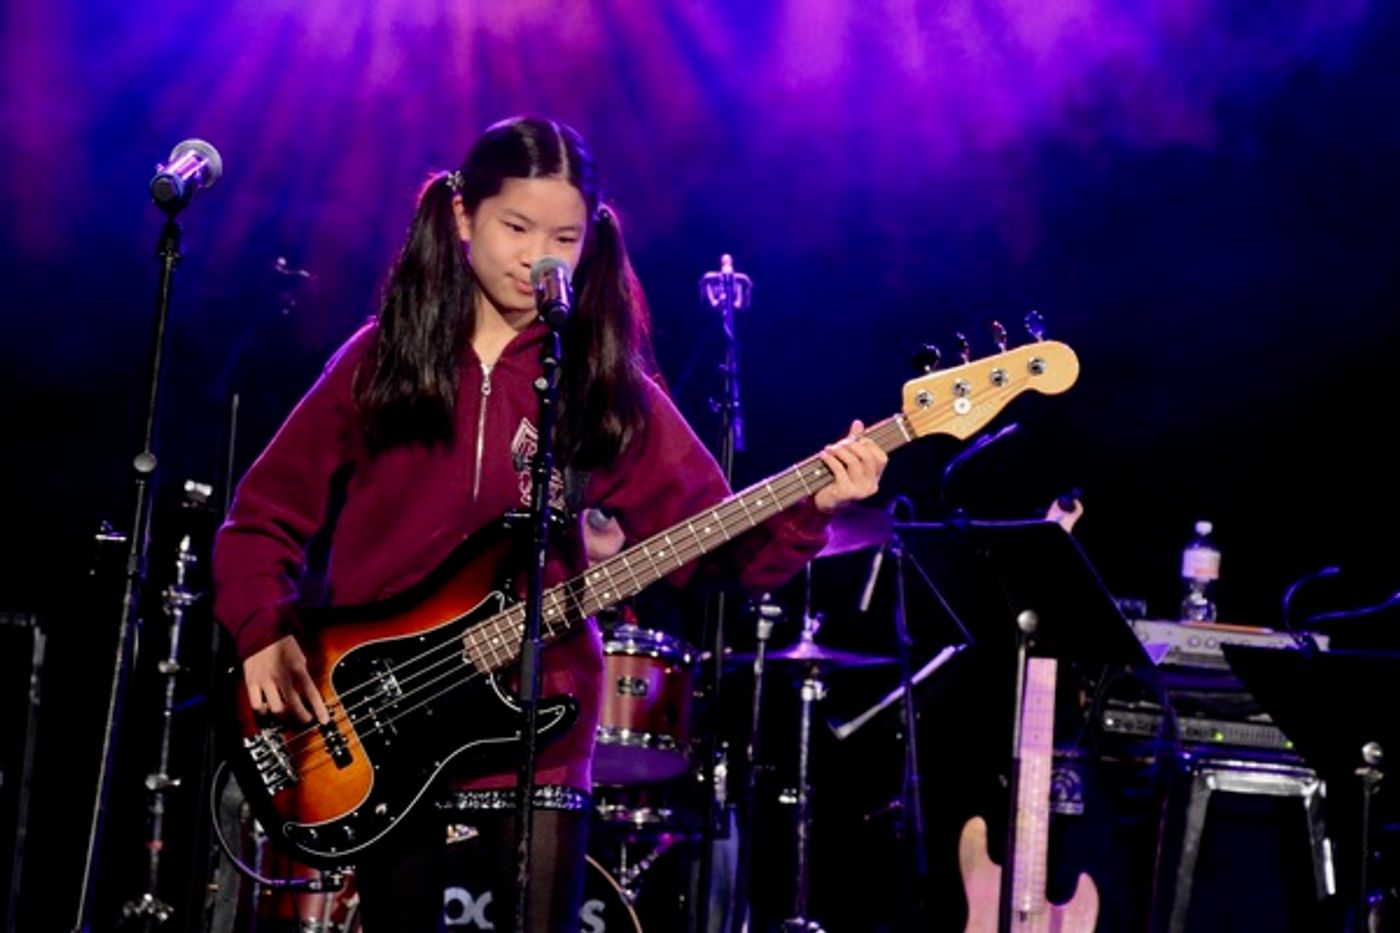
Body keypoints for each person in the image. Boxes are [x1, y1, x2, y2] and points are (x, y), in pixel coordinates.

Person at [211, 114, 887, 932]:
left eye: (564, 237)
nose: (538, 256)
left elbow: (717, 546)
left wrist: (812, 508)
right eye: (516, 227)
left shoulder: (603, 385)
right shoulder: (381, 356)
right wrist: (260, 627)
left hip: (542, 710)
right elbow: (261, 516)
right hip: (383, 713)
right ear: (461, 219)